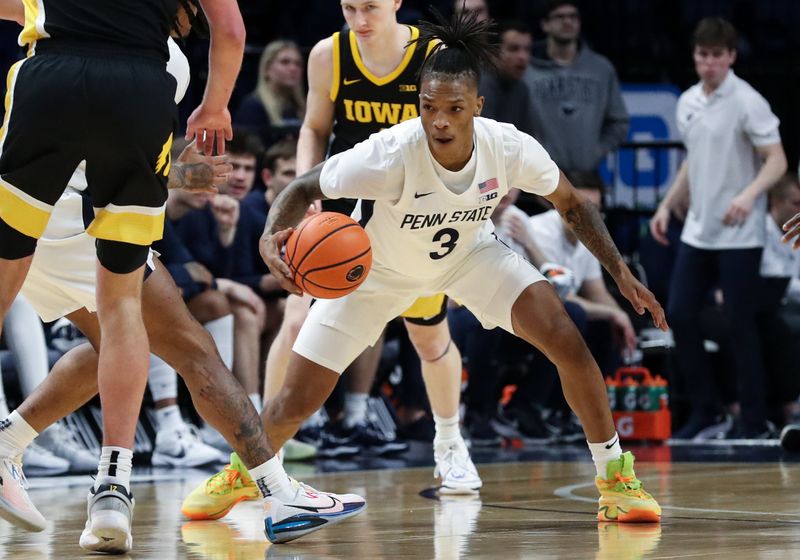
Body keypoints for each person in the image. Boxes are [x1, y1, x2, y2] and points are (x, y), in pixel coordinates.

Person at [258, 9, 664, 526]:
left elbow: (574, 204)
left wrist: (620, 273)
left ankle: (615, 479)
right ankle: (237, 475)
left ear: (478, 106)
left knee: (566, 338)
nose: (440, 120)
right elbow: (302, 186)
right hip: (380, 271)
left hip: (469, 259)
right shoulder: (388, 151)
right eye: (429, 108)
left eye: (454, 108)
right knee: (295, 401)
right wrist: (271, 236)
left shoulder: (508, 145)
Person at [0, 10, 364, 552]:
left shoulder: (67, 33)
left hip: (42, 199)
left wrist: (177, 173)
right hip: (77, 220)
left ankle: (9, 442)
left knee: (113, 346)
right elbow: (122, 152)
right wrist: (181, 168)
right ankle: (275, 492)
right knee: (192, 349)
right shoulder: (163, 61)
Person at [184, 0, 481, 520]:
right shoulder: (330, 55)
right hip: (345, 205)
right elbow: (315, 129)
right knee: (298, 316)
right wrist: (307, 188)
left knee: (428, 335)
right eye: (349, 7)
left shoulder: (434, 55)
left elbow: (463, 136)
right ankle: (261, 462)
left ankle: (451, 444)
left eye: (370, 7)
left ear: (395, 3)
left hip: (416, 206)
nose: (360, 19)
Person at [649, 17, 787, 440]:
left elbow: (777, 160)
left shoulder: (748, 101)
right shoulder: (688, 100)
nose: (708, 64)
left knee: (739, 322)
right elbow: (693, 158)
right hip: (697, 229)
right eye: (702, 55)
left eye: (716, 56)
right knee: (681, 314)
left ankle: (753, 417)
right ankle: (706, 411)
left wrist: (748, 196)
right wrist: (667, 203)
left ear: (730, 57)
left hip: (740, 234)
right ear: (695, 57)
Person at [523, 0, 628, 172]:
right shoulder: (527, 69)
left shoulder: (601, 68)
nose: (567, 21)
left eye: (573, 16)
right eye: (559, 16)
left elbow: (618, 121)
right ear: (545, 25)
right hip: (538, 175)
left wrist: (596, 152)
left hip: (586, 174)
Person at [233, 40, 306, 147]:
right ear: (267, 68)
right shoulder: (252, 107)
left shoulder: (302, 109)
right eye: (285, 62)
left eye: (298, 64)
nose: (293, 68)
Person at [478, 19, 535, 136]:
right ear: (493, 53)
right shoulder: (478, 87)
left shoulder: (522, 89)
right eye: (514, 49)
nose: (523, 57)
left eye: (527, 49)